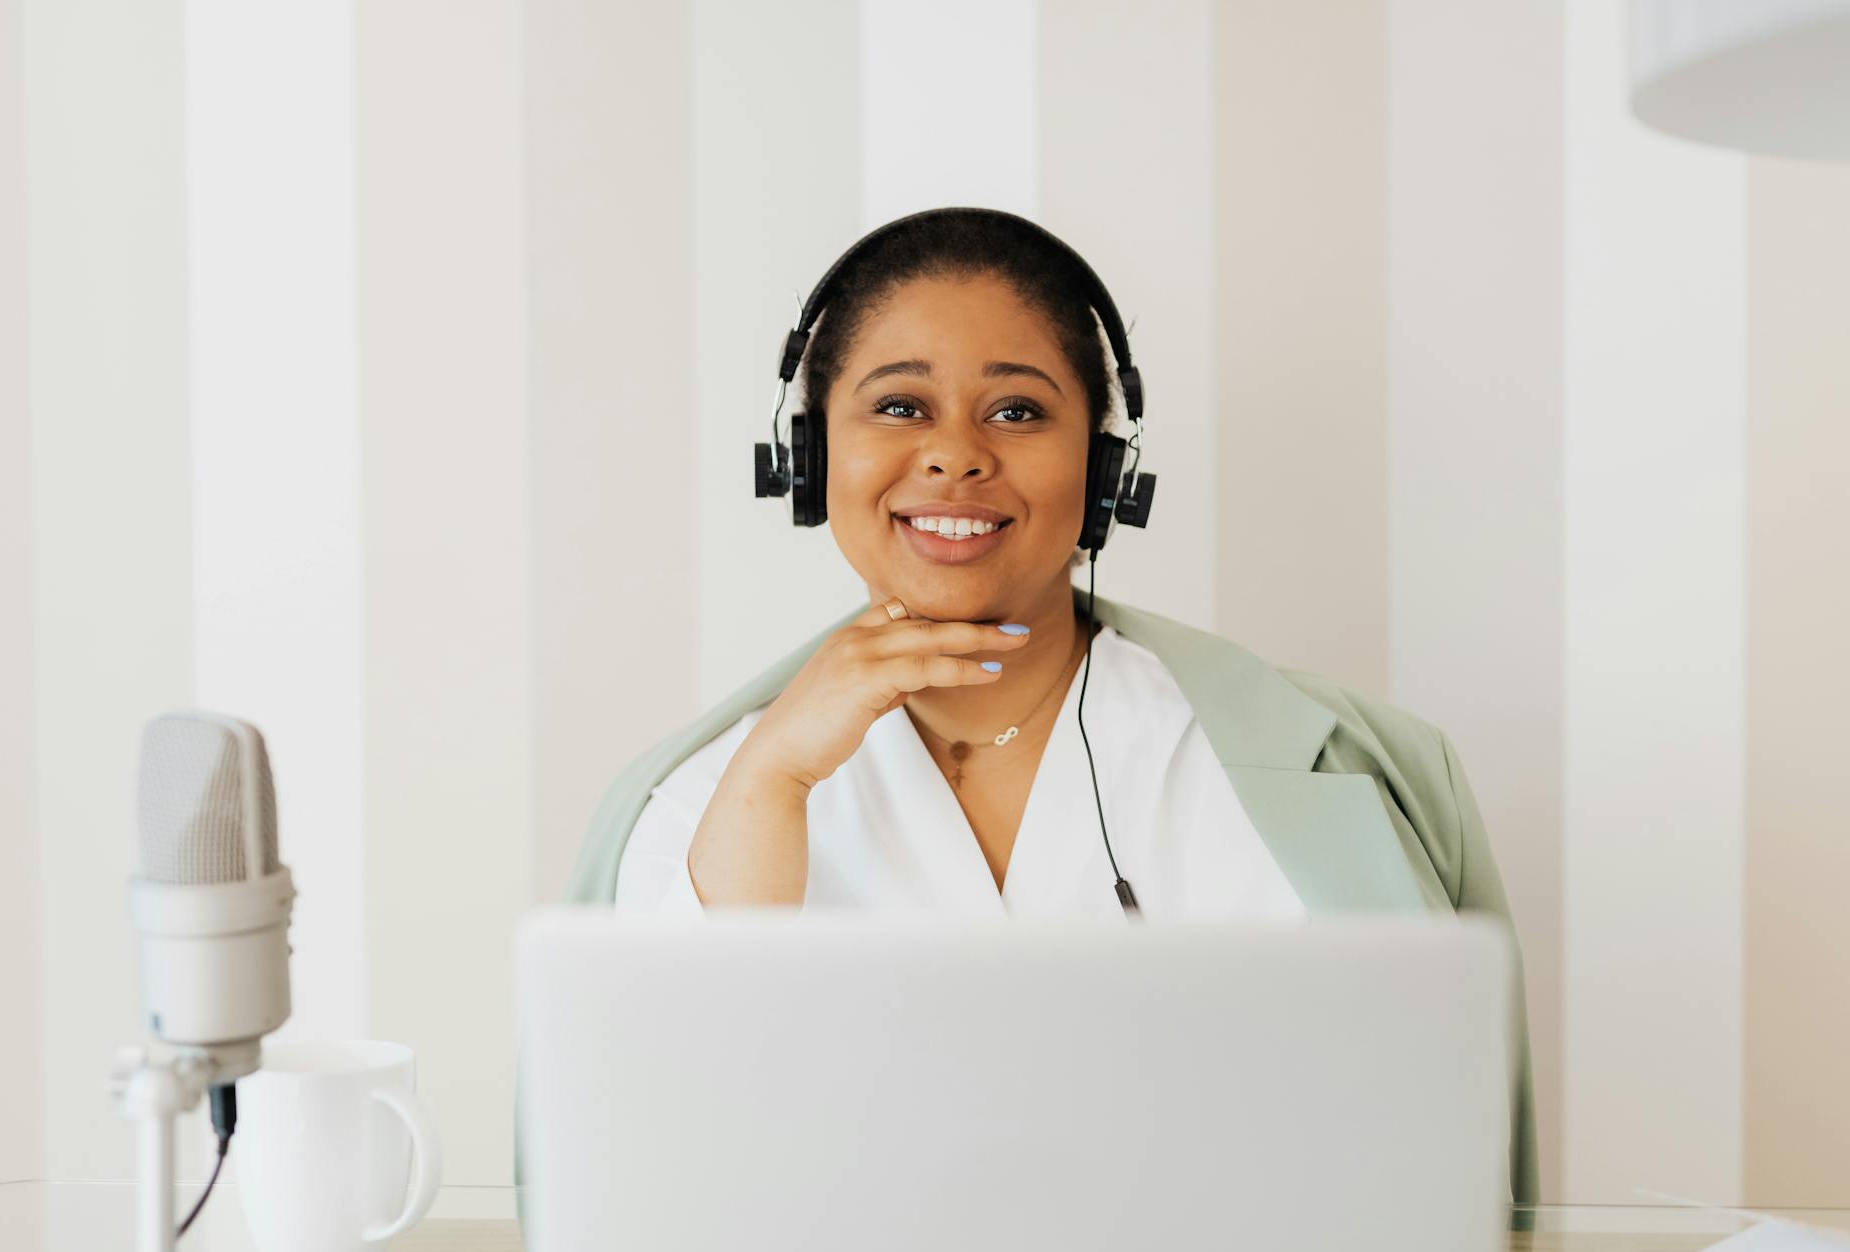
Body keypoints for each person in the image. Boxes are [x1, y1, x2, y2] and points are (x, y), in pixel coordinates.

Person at [560, 207, 1538, 1202]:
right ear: (808, 461)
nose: (955, 454)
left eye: (1018, 411)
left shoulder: (1318, 776)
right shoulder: (698, 797)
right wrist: (769, 785)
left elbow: (1412, 1162)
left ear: (1105, 473)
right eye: (898, 405)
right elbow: (657, 1170)